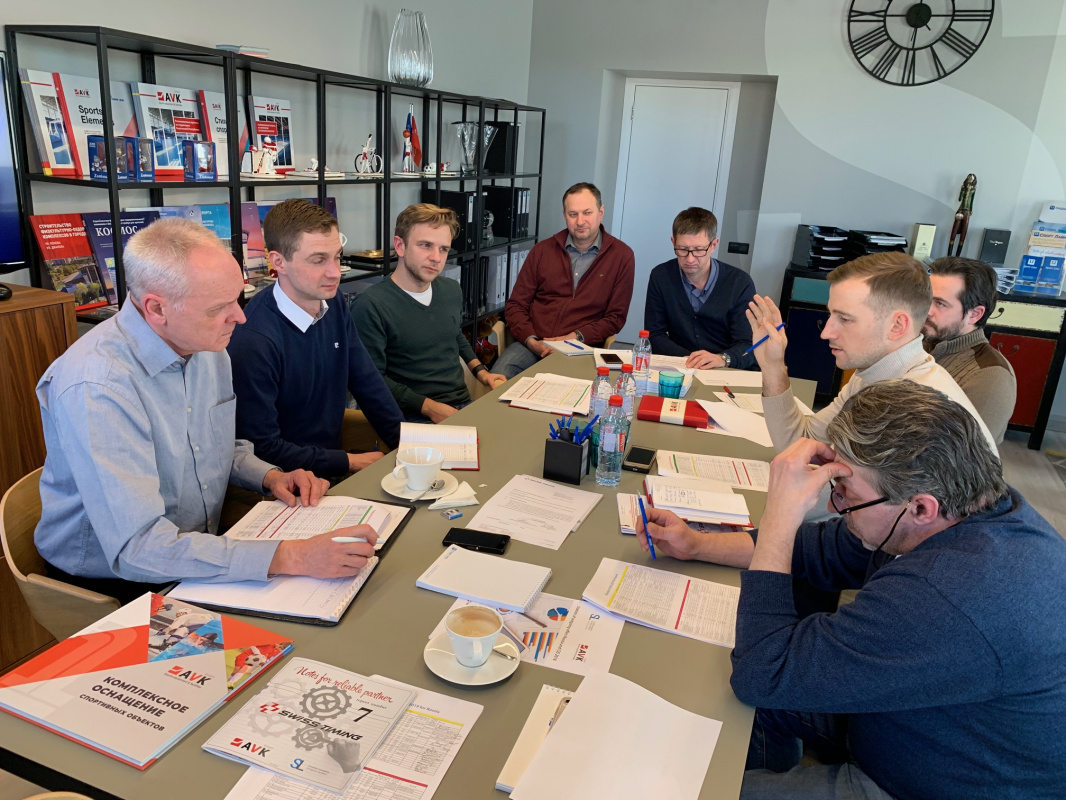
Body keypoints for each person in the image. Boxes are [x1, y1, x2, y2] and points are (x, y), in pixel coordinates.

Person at [637, 380, 1066, 799]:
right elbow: (826, 549)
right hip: (906, 720)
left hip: (923, 779)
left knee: (696, 790)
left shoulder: (949, 593)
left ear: (920, 507)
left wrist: (779, 518)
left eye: (846, 494)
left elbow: (762, 673)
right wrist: (698, 544)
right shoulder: (968, 504)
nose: (833, 505)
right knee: (730, 702)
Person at [34, 217, 378, 602]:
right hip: (114, 579)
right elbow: (137, 548)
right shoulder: (98, 386)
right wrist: (291, 556)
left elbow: (212, 446)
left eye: (237, 298)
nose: (240, 317)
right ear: (157, 309)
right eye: (219, 307)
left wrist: (271, 476)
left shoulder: (205, 344)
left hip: (197, 546)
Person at [747, 251, 997, 454]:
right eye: (831, 315)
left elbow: (845, 494)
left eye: (845, 319)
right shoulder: (874, 372)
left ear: (897, 326)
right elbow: (801, 443)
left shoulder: (919, 410)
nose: (826, 332)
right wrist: (773, 366)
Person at [228, 199, 402, 478]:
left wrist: (408, 448)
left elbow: (367, 382)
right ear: (278, 262)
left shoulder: (333, 302)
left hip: (333, 465)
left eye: (337, 256)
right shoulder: (254, 339)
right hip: (285, 482)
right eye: (319, 260)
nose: (335, 272)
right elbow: (262, 448)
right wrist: (348, 462)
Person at [351, 204, 506, 423]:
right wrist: (429, 408)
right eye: (425, 245)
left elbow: (454, 334)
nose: (436, 258)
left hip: (460, 404)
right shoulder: (370, 305)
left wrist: (482, 372)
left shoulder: (451, 290)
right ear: (400, 246)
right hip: (410, 415)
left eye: (443, 249)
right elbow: (371, 379)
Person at [495, 182, 635, 379]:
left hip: (582, 346)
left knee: (569, 391)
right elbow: (516, 305)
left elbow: (615, 317)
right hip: (535, 344)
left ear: (601, 212)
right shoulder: (542, 251)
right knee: (498, 378)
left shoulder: (622, 256)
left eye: (587, 213)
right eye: (573, 214)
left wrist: (574, 338)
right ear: (564, 215)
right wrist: (531, 341)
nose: (580, 221)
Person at [644, 207, 756, 369]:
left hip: (726, 368)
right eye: (683, 249)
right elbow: (655, 334)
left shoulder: (740, 283)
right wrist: (691, 360)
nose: (690, 259)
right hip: (682, 365)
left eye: (698, 250)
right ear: (673, 242)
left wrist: (722, 359)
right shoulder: (661, 276)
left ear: (713, 245)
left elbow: (748, 344)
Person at [924, 256, 1016, 443]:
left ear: (975, 314)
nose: (927, 310)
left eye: (940, 304)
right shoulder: (922, 343)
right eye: (927, 299)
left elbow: (968, 455)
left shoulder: (990, 376)